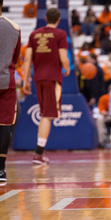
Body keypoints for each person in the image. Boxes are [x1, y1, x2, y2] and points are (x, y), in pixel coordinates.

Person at [22, 8, 70, 164]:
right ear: (58, 19)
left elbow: (28, 58)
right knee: (47, 115)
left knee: (44, 113)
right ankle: (38, 153)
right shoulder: (60, 34)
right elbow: (64, 57)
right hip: (52, 78)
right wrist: (67, 68)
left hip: (38, 77)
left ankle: (40, 151)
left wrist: (25, 80)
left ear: (45, 17)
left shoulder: (34, 34)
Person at [0, 0, 21, 182]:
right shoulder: (14, 27)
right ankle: (1, 171)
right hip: (6, 81)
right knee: (5, 124)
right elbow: (16, 57)